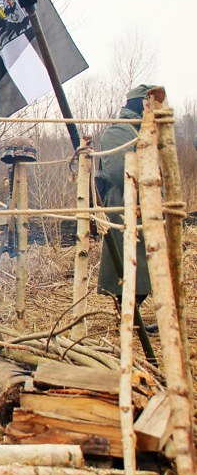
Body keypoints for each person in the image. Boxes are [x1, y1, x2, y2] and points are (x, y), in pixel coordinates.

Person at [98, 85, 157, 333]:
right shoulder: (119, 130)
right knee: (129, 268)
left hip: (147, 207)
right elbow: (117, 171)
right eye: (148, 103)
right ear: (138, 103)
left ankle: (132, 318)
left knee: (147, 269)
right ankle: (128, 319)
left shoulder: (145, 130)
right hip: (125, 207)